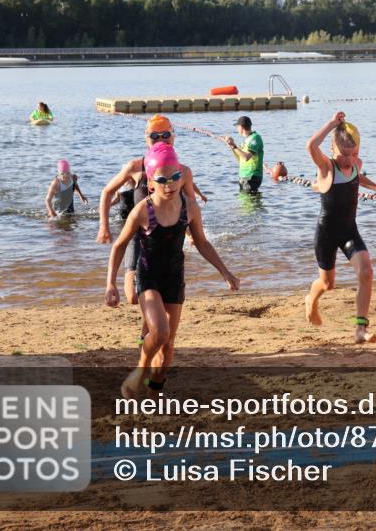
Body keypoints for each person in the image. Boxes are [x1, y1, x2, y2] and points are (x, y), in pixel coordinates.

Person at [106, 143, 238, 397]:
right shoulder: (143, 210)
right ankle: (139, 372)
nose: (170, 184)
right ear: (151, 183)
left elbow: (201, 242)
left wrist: (225, 272)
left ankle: (155, 389)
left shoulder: (189, 207)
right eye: (162, 179)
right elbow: (119, 245)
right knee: (160, 331)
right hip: (148, 276)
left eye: (176, 176)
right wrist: (111, 283)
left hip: (174, 277)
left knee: (168, 344)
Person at [97, 115, 200, 356]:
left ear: (173, 137)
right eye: (155, 135)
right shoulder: (136, 167)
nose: (161, 139)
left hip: (165, 238)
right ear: (146, 139)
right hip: (137, 235)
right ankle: (152, 329)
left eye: (165, 135)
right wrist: (104, 225)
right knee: (132, 296)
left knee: (157, 305)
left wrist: (192, 234)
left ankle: (150, 334)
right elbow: (107, 191)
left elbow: (189, 206)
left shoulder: (182, 171)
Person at [307, 112, 376, 344]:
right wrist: (331, 124)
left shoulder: (356, 164)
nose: (349, 160)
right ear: (332, 151)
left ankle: (360, 328)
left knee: (366, 272)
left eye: (354, 153)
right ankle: (311, 300)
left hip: (349, 231)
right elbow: (310, 145)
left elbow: (359, 178)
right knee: (328, 284)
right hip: (326, 234)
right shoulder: (327, 167)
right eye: (344, 155)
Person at [222, 116, 264, 193]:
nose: (237, 129)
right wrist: (231, 146)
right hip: (244, 177)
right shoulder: (246, 140)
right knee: (244, 202)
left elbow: (246, 157)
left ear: (241, 127)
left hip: (252, 177)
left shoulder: (255, 138)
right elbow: (240, 159)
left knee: (250, 203)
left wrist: (234, 146)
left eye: (237, 126)